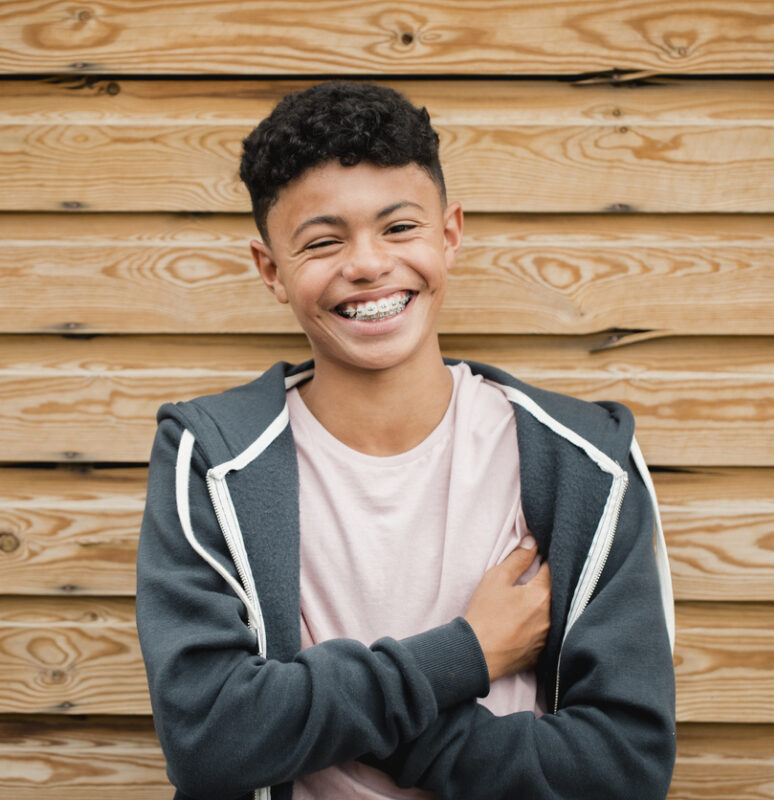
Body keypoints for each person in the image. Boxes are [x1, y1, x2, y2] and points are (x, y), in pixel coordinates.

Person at [136, 81, 676, 800]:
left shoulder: (582, 463)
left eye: (398, 228)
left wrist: (350, 720)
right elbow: (208, 739)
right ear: (272, 271)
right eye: (324, 241)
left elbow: (623, 768)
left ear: (449, 235)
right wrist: (467, 653)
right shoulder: (211, 462)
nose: (366, 264)